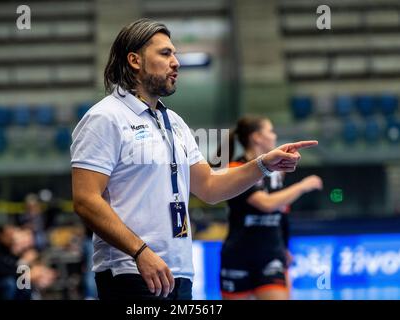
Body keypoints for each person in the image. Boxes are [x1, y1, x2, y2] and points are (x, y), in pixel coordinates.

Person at [70, 18, 318, 300]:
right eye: (165, 54)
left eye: (174, 54)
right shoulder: (105, 117)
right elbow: (86, 200)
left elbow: (210, 187)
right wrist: (140, 252)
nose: (175, 62)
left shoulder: (174, 122)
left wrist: (263, 164)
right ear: (135, 60)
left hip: (178, 272)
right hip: (129, 271)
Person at [220, 115, 323, 300]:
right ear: (257, 137)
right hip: (238, 255)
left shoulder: (277, 172)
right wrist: (303, 186)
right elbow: (266, 203)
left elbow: (281, 211)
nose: (274, 136)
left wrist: (284, 247)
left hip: (271, 255)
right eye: (271, 131)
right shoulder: (236, 168)